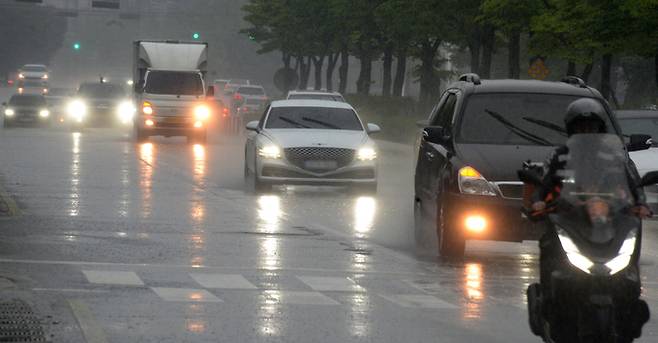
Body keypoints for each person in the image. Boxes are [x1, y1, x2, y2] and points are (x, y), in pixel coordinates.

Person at [531, 98, 652, 218]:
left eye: (591, 128)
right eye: (581, 128)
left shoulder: (613, 156)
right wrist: (538, 201)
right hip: (569, 216)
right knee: (548, 231)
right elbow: (545, 185)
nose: (586, 132)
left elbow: (631, 183)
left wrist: (641, 203)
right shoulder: (561, 156)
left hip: (609, 216)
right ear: (572, 129)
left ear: (600, 130)